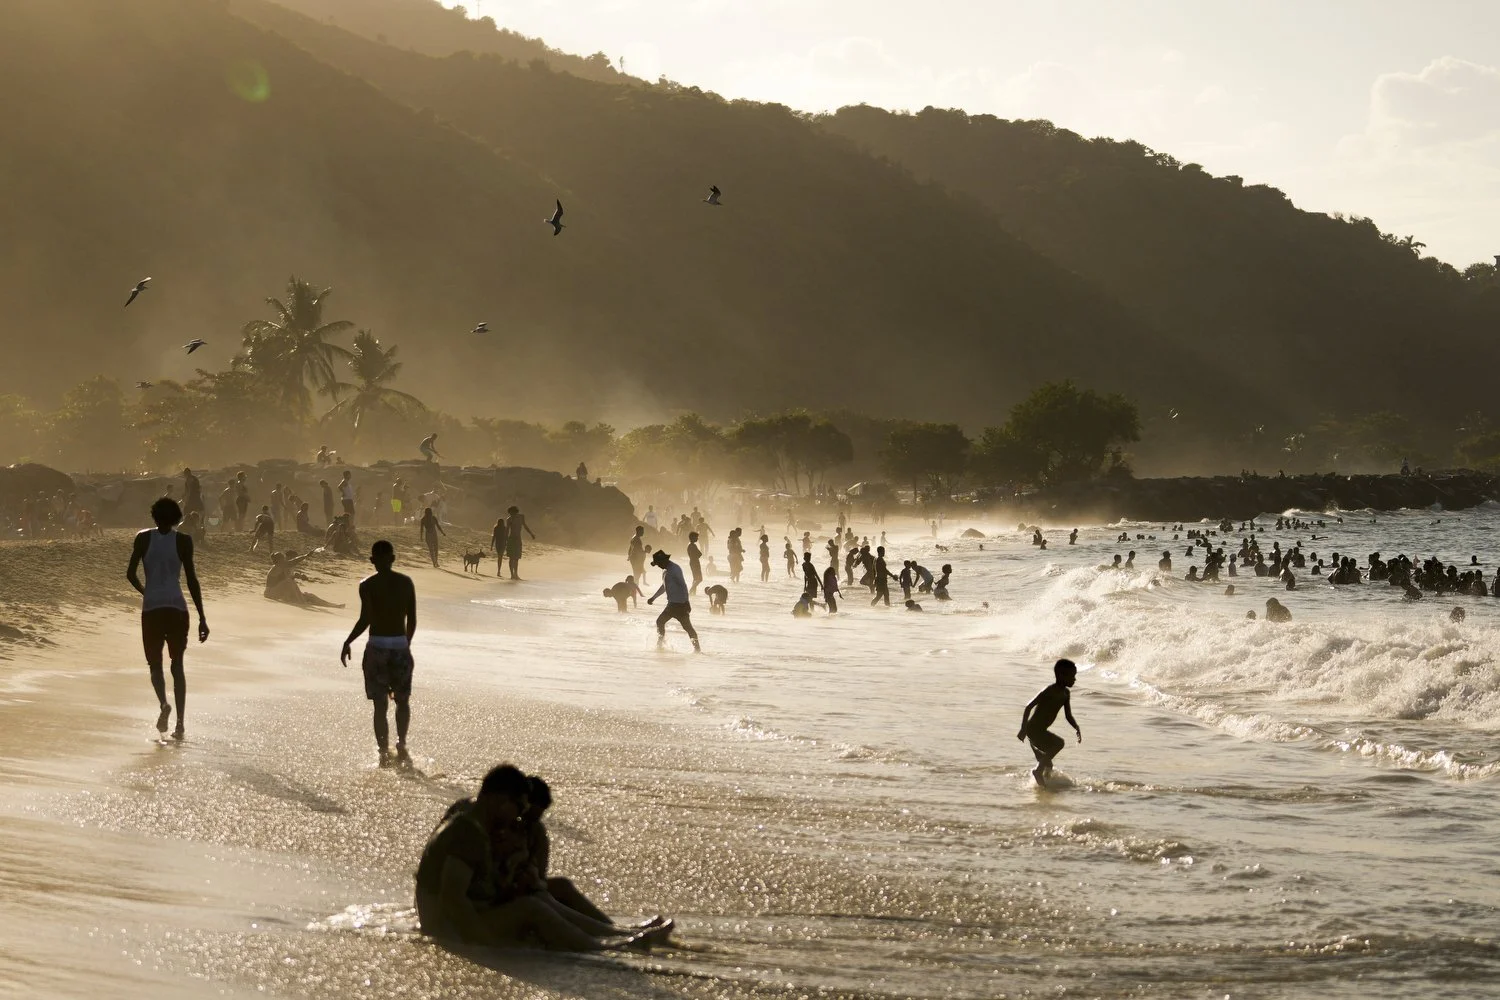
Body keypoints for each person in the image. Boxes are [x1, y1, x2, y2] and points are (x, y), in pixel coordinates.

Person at [126, 497, 209, 740]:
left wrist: (147, 592)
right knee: (177, 665)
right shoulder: (183, 540)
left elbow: (130, 574)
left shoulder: (143, 537)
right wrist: (202, 617)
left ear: (154, 515)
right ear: (177, 518)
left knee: (155, 665)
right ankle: (180, 725)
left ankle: (163, 704)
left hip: (152, 609)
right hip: (177, 607)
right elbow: (192, 579)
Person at [340, 540, 417, 763]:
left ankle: (383, 751)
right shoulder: (405, 583)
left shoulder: (367, 585)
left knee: (380, 705)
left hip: (377, 648)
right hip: (399, 647)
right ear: (393, 559)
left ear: (372, 560)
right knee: (402, 701)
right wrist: (406, 644)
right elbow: (411, 619)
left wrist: (348, 641)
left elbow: (366, 619)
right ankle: (401, 743)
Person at [1017, 658, 1081, 788]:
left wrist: (1076, 727)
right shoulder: (1049, 690)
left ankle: (1042, 791)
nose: (1074, 679)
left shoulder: (1065, 693)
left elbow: (1068, 715)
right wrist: (1023, 729)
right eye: (1072, 676)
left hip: (1040, 731)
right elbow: (1028, 707)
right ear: (1061, 675)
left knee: (1048, 765)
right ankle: (1037, 771)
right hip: (1033, 729)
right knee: (1059, 743)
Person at [647, 550, 700, 651]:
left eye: (658, 563)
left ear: (664, 560)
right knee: (661, 622)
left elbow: (683, 586)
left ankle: (696, 650)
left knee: (687, 627)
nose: (658, 566)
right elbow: (664, 586)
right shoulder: (665, 570)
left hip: (679, 605)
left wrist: (686, 602)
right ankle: (660, 645)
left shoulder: (674, 569)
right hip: (672, 604)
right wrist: (653, 597)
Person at [264, 551, 343, 608]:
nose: (285, 560)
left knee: (309, 596)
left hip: (280, 592)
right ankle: (302, 603)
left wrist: (299, 576)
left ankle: (332, 605)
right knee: (289, 582)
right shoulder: (277, 567)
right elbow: (293, 562)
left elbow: (289, 575)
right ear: (279, 560)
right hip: (270, 593)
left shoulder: (282, 567)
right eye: (283, 558)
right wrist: (305, 556)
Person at [504, 506, 536, 580]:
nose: (510, 514)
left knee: (517, 558)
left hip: (518, 539)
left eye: (512, 513)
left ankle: (516, 574)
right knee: (511, 557)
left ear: (515, 511)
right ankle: (512, 574)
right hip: (511, 539)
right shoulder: (509, 519)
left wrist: (531, 534)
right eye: (510, 513)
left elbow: (525, 526)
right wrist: (505, 541)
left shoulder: (521, 517)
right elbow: (507, 530)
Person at [686, 531, 704, 596]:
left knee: (695, 578)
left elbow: (697, 554)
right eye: (696, 537)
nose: (697, 538)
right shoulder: (693, 545)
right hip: (695, 562)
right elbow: (700, 554)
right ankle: (691, 590)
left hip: (692, 562)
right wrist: (697, 555)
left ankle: (693, 593)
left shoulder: (689, 545)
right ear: (693, 537)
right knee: (699, 579)